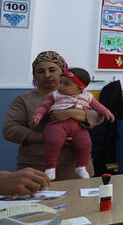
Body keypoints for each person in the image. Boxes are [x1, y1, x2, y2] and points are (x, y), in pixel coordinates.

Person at [3, 51, 104, 180]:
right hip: (35, 170)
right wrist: (48, 137)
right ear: (34, 75)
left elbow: (98, 115)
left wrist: (69, 113)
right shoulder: (23, 100)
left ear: (63, 72)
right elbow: (10, 129)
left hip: (75, 170)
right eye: (40, 71)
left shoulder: (82, 95)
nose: (47, 75)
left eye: (52, 70)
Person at [30, 67, 115, 180]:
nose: (61, 86)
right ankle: (50, 168)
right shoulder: (55, 95)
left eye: (66, 84)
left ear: (79, 88)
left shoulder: (87, 96)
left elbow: (98, 107)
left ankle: (81, 167)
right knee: (53, 141)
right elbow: (43, 107)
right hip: (57, 125)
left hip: (79, 128)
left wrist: (107, 113)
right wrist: (37, 117)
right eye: (61, 83)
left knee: (86, 144)